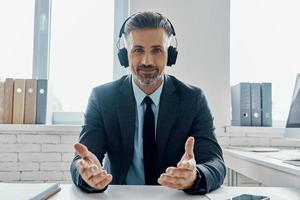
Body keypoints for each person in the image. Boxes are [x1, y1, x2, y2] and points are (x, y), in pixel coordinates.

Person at [70, 11, 225, 195]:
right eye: (138, 50)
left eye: (157, 50)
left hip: (174, 198)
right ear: (124, 54)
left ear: (171, 54)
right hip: (120, 197)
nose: (147, 61)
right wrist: (88, 176)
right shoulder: (103, 98)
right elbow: (83, 160)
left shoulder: (193, 99)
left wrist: (195, 176)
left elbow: (215, 164)